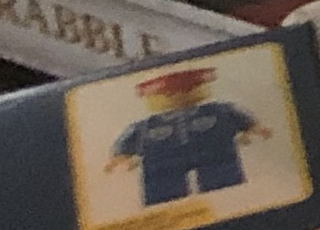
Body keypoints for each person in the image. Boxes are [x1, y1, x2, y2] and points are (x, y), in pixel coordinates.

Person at [108, 68, 264, 208]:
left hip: (213, 152)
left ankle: (233, 200)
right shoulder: (146, 125)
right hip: (164, 162)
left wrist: (252, 127)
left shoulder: (217, 111)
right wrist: (120, 155)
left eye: (188, 89)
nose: (178, 96)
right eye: (169, 94)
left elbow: (235, 114)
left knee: (225, 183)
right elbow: (129, 136)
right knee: (163, 193)